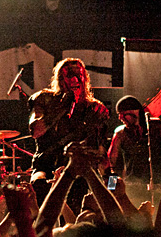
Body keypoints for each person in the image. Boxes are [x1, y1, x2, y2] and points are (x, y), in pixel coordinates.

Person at [27, 58, 109, 212]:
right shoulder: (44, 99)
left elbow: (101, 153)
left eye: (79, 75)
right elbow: (35, 131)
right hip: (46, 164)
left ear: (85, 78)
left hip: (79, 168)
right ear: (60, 78)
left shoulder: (93, 108)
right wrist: (62, 107)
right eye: (69, 74)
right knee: (39, 186)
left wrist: (108, 180)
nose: (75, 79)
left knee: (84, 199)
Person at [107, 95, 161, 205]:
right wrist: (111, 188)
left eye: (124, 114)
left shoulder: (156, 126)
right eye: (119, 115)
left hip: (158, 185)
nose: (120, 118)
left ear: (135, 113)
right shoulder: (120, 134)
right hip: (133, 188)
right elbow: (112, 163)